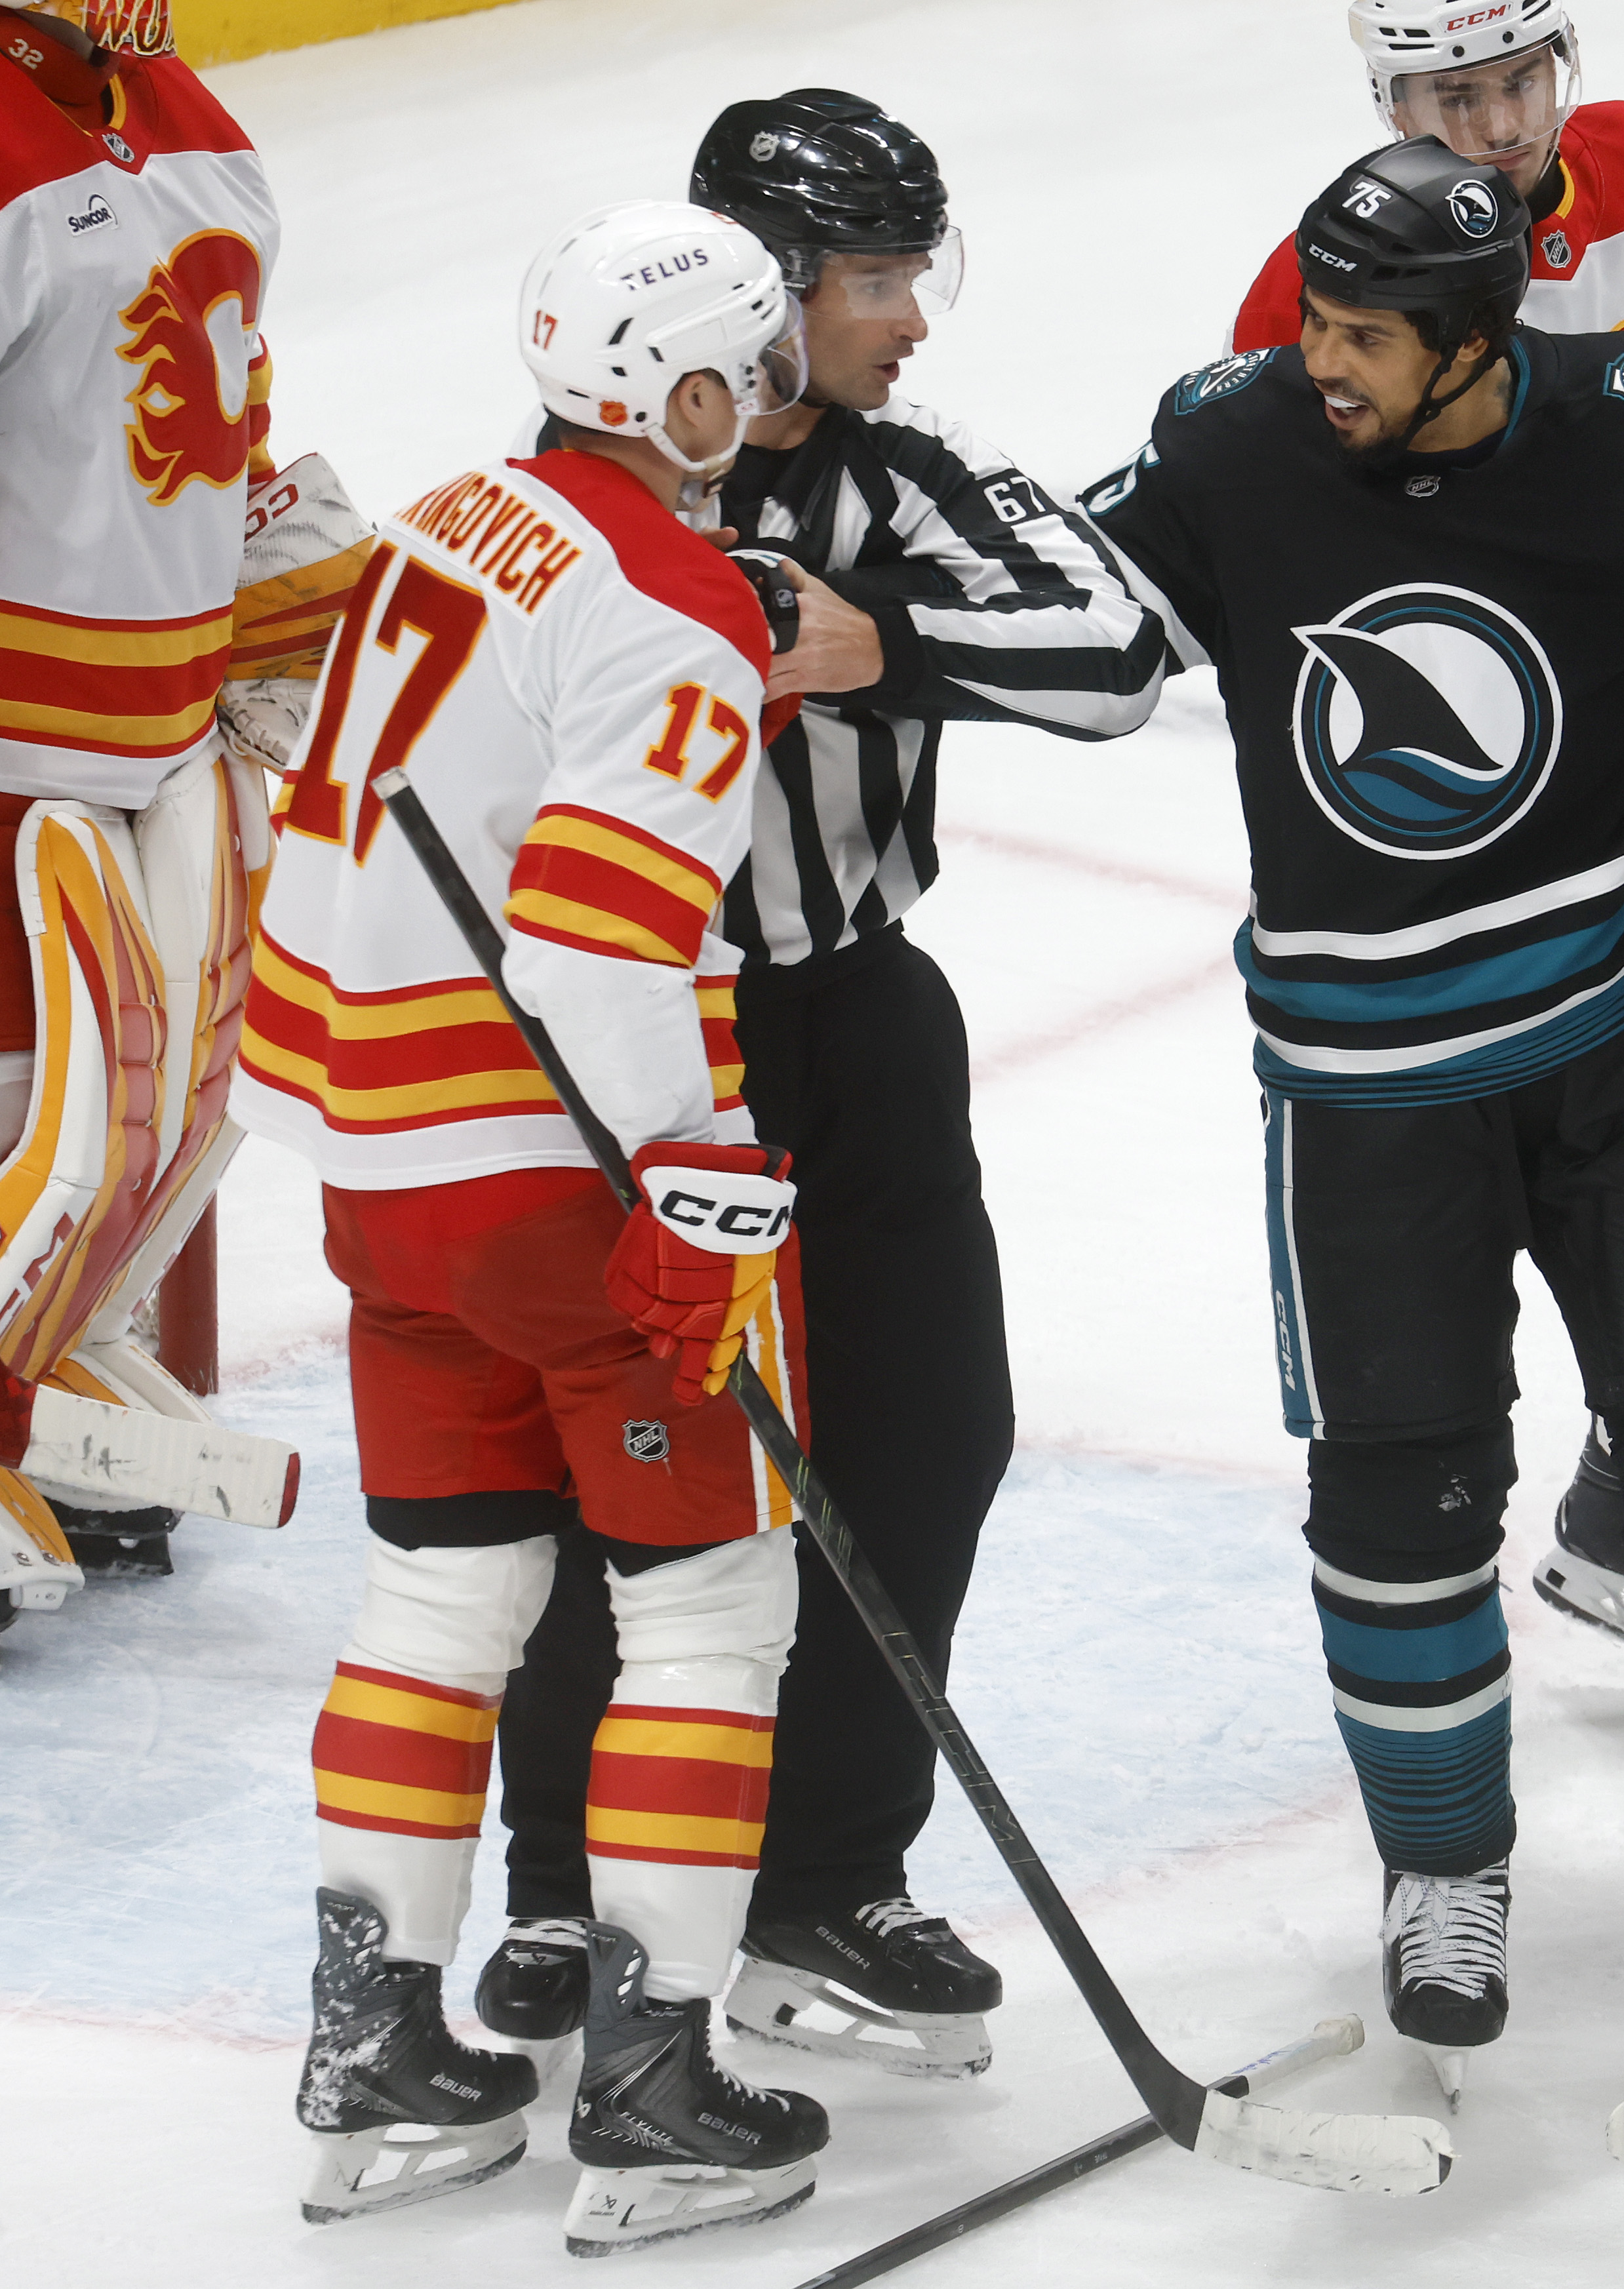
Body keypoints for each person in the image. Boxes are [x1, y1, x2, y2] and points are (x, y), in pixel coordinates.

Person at [1082, 136, 1624, 2107]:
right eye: (1315, 316)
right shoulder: (1229, 452)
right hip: (1369, 1091)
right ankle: (1440, 1873)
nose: (1320, 358)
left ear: (1481, 342)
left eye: (1365, 333)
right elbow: (1076, 621)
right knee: (1401, 1505)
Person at [470, 90, 1167, 2082]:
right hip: (627, 1045)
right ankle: (560, 1883)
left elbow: (1118, 648)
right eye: (877, 281)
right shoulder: (590, 478)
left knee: (929, 1433)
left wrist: (887, 646)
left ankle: (827, 1872)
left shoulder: (903, 478)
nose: (910, 321)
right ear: (761, 298)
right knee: (627, 1471)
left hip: (855, 1017)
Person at [232, 201, 837, 2254]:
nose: (761, 405)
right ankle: (656, 2084)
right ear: (670, 389)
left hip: (384, 1179)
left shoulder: (448, 514)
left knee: (440, 1593)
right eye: (743, 370)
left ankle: (375, 2042)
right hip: (554, 1183)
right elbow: (593, 949)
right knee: (702, 1610)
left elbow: (311, 845)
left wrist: (325, 1128)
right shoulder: (674, 599)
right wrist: (692, 1184)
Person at [1235, 1, 1624, 1644]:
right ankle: (1607, 1490)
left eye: (1525, 76)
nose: (1507, 120)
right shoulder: (1326, 285)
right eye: (1457, 92)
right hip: (1511, 819)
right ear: (1387, 92)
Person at [0, 0, 356, 1605]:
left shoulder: (175, 99)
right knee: (28, 1104)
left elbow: (222, 404)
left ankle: (57, 1388)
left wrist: (284, 572)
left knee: (164, 1104)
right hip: (17, 728)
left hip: (169, 713)